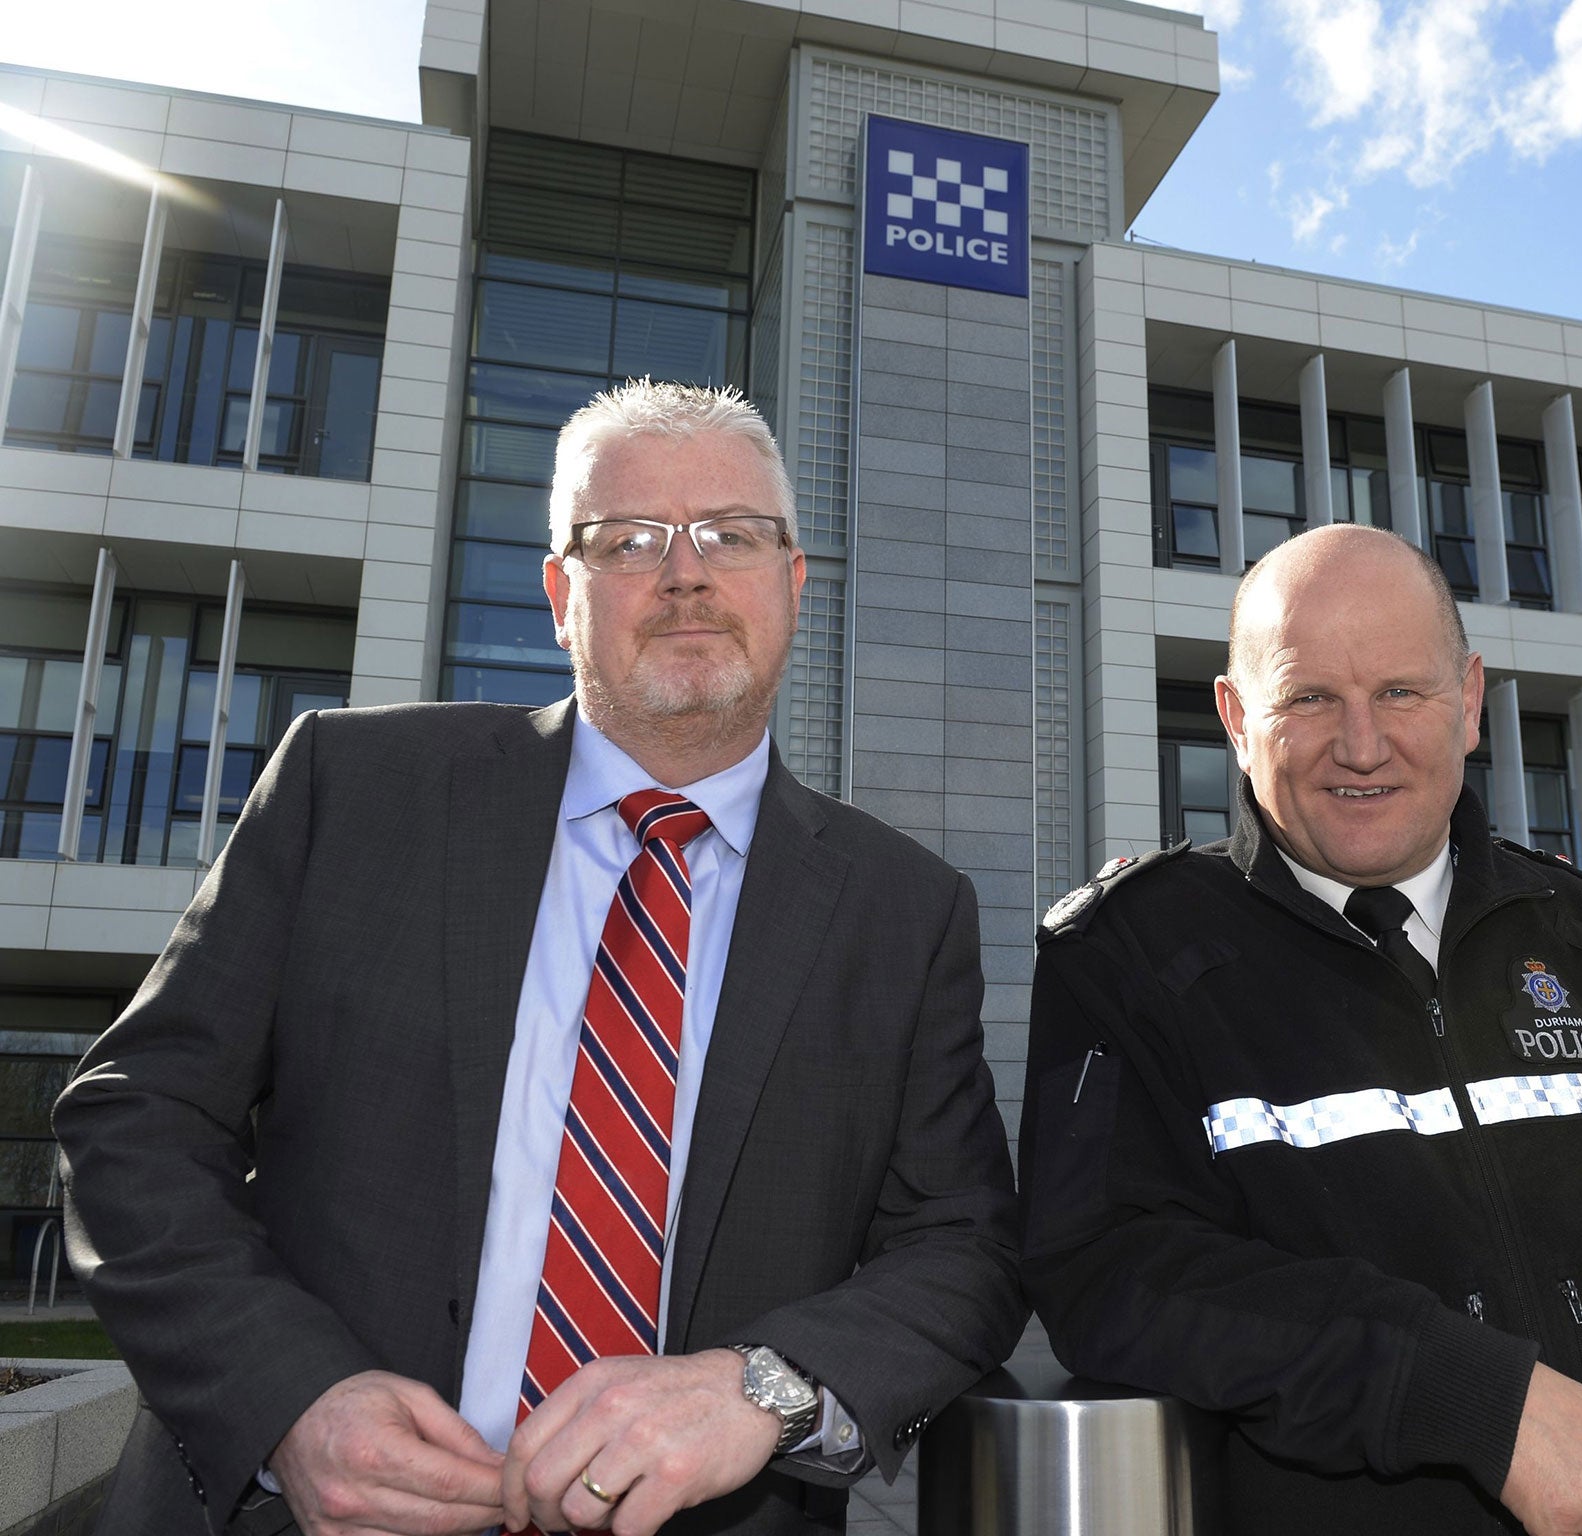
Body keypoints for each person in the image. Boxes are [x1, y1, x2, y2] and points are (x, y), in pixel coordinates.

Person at [57, 381, 1025, 1536]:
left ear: (792, 585)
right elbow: (136, 1117)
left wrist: (764, 1387)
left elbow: (961, 1247)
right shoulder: (351, 789)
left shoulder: (903, 910)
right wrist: (288, 1400)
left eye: (733, 533)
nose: (685, 573)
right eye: (627, 541)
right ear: (562, 594)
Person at [1019, 524, 1582, 1536]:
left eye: (1400, 693)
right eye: (1308, 697)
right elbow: (1109, 1278)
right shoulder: (1132, 957)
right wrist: (1468, 1395)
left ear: (1467, 702)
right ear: (1236, 718)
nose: (1359, 746)